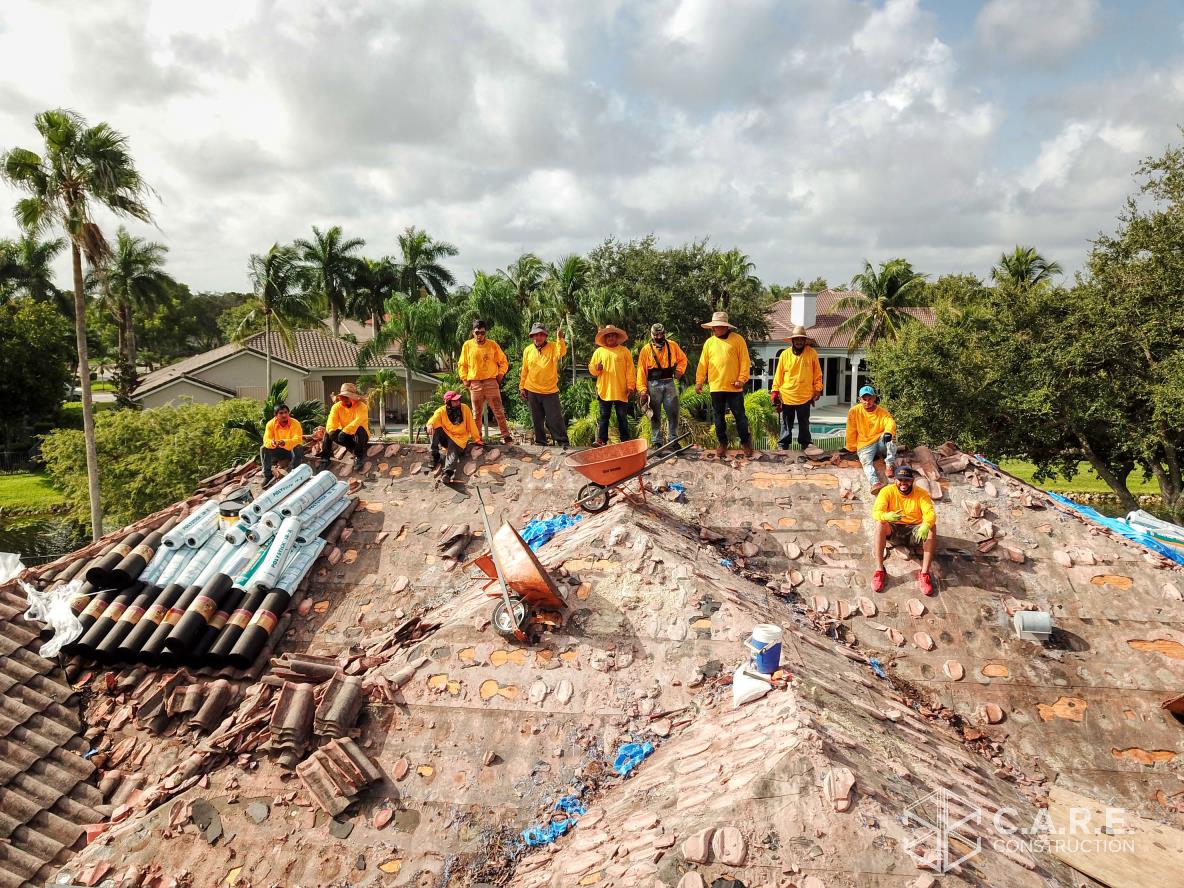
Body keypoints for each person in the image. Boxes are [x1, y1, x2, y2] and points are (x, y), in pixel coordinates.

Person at [871, 466, 937, 595]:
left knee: (932, 527)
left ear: (912, 480)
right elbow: (876, 512)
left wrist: (926, 525)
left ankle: (924, 573)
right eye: (900, 479)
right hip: (894, 530)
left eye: (906, 480)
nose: (903, 483)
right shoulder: (887, 491)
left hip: (915, 532)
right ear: (895, 480)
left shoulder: (921, 494)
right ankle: (879, 570)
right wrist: (886, 516)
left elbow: (930, 513)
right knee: (880, 523)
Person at [694, 311, 753, 458]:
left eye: (718, 326)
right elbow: (703, 364)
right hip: (716, 386)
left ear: (725, 327)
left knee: (740, 416)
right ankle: (722, 443)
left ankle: (745, 442)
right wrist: (699, 381)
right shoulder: (709, 343)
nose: (715, 329)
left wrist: (742, 379)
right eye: (713, 327)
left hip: (734, 386)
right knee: (718, 417)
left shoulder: (738, 340)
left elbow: (745, 362)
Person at [458, 319, 512, 444]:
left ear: (485, 332)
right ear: (473, 332)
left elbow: (503, 361)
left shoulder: (493, 345)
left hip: (491, 382)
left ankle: (506, 436)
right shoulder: (467, 345)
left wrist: (501, 373)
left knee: (498, 410)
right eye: (477, 333)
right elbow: (462, 364)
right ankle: (477, 438)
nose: (479, 335)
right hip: (475, 383)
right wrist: (464, 378)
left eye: (482, 333)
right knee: (476, 414)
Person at [772, 325, 823, 450]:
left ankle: (805, 443)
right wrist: (775, 391)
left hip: (805, 396)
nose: (799, 341)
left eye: (801, 339)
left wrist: (817, 389)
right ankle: (783, 445)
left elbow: (818, 374)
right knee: (786, 423)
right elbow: (779, 374)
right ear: (793, 340)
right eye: (797, 339)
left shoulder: (812, 353)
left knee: (804, 422)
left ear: (805, 340)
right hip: (787, 395)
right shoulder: (784, 354)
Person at [636, 323, 687, 447]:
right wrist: (643, 390)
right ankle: (656, 441)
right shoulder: (646, 349)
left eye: (661, 334)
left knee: (673, 412)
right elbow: (641, 370)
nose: (659, 336)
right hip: (653, 384)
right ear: (652, 335)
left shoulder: (672, 345)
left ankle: (673, 439)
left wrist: (679, 371)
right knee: (654, 414)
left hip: (669, 382)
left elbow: (683, 359)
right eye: (656, 334)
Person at [519, 323, 569, 448]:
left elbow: (561, 352)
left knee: (554, 418)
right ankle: (540, 442)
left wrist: (560, 338)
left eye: (541, 334)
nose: (538, 337)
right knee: (537, 419)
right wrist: (521, 387)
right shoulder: (528, 350)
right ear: (532, 336)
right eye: (536, 335)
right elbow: (525, 370)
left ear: (545, 336)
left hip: (550, 391)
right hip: (532, 389)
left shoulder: (553, 347)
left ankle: (562, 441)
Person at [589, 325, 635, 446]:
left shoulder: (625, 351)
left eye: (613, 335)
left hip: (622, 389)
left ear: (617, 337)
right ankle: (602, 440)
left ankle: (625, 441)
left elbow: (631, 370)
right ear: (605, 338)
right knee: (604, 417)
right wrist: (596, 368)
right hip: (604, 389)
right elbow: (591, 368)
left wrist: (631, 386)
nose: (610, 337)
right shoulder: (599, 352)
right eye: (608, 336)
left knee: (622, 417)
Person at [845, 385, 897, 491]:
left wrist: (888, 432)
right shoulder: (854, 411)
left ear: (874, 398)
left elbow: (890, 421)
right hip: (864, 444)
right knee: (866, 463)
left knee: (891, 437)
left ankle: (889, 464)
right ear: (860, 399)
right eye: (864, 399)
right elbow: (851, 430)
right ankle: (875, 483)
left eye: (870, 399)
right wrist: (851, 447)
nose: (867, 402)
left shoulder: (882, 411)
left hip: (879, 441)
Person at [426, 390, 483, 483]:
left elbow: (471, 425)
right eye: (454, 400)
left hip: (459, 439)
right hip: (446, 436)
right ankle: (434, 455)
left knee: (453, 450)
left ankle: (447, 473)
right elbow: (433, 420)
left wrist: (477, 439)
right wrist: (430, 425)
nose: (458, 402)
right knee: (433, 428)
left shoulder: (465, 408)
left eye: (458, 400)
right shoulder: (441, 411)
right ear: (448, 402)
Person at [318, 382, 370, 472]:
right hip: (345, 436)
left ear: (352, 397)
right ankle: (325, 458)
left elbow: (358, 421)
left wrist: (345, 431)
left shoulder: (362, 406)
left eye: (347, 396)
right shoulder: (336, 407)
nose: (344, 399)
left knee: (359, 429)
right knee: (328, 432)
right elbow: (331, 423)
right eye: (342, 396)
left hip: (360, 435)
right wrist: (333, 432)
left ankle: (358, 457)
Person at [260, 403, 305, 489]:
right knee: (263, 448)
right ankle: (267, 475)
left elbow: (298, 439)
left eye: (286, 412)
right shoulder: (270, 424)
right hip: (278, 451)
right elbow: (266, 440)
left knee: (298, 447)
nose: (284, 415)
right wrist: (272, 443)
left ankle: (294, 473)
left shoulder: (295, 423)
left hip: (291, 451)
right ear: (276, 415)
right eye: (281, 413)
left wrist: (285, 442)